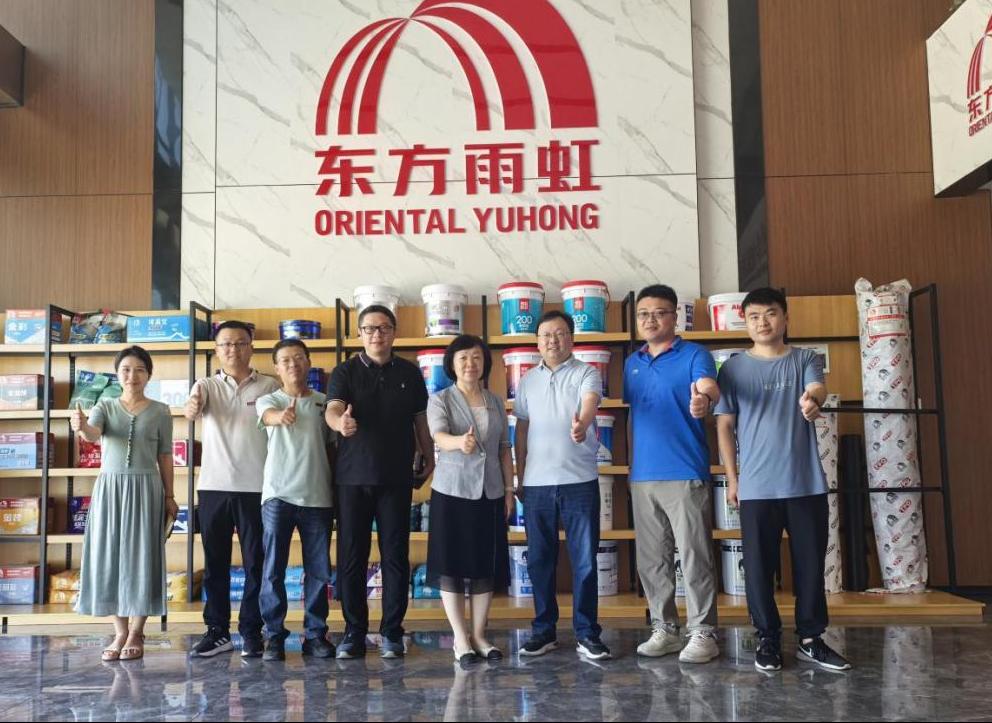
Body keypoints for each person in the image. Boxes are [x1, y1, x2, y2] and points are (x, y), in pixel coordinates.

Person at [714, 287, 852, 672]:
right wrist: (732, 479)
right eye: (754, 316)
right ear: (746, 322)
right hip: (756, 487)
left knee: (810, 565)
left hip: (806, 483)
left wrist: (812, 401)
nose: (763, 322)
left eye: (771, 313)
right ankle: (767, 638)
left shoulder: (805, 359)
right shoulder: (733, 369)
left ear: (786, 318)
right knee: (759, 569)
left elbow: (817, 388)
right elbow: (724, 426)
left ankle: (811, 638)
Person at [325, 304, 434, 659]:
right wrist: (340, 423)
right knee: (351, 557)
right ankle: (353, 632)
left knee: (395, 556)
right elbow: (332, 409)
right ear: (360, 334)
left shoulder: (409, 373)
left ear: (394, 333)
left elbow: (420, 421)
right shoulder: (345, 371)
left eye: (384, 328)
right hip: (352, 479)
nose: (377, 334)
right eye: (370, 328)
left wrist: (428, 453)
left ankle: (392, 632)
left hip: (395, 477)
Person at [623, 285, 721, 663]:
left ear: (674, 316)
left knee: (695, 556)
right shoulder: (632, 363)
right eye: (643, 314)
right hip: (642, 476)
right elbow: (634, 414)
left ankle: (703, 632)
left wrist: (704, 400)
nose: (650, 320)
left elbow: (708, 387)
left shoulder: (695, 354)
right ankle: (664, 629)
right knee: (652, 561)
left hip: (684, 471)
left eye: (659, 312)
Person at [514, 310, 610, 661]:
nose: (552, 340)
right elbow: (521, 429)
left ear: (571, 337)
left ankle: (587, 633)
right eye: (545, 335)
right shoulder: (527, 381)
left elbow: (590, 402)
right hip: (536, 485)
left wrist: (582, 424)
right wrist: (519, 474)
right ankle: (544, 631)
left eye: (559, 334)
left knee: (585, 561)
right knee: (540, 561)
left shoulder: (586, 372)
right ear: (537, 342)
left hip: (579, 482)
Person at [71, 346, 177, 661]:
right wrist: (81, 425)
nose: (132, 376)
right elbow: (93, 433)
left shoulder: (161, 411)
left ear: (149, 375)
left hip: (146, 488)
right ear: (118, 374)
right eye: (126, 370)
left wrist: (170, 495)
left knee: (143, 556)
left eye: (140, 369)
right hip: (110, 489)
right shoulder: (104, 405)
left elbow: (165, 456)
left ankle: (137, 631)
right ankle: (119, 631)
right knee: (109, 555)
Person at [184, 320, 279, 658]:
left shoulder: (269, 385)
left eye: (240, 343)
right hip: (214, 486)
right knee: (216, 563)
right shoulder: (206, 385)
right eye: (225, 344)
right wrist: (192, 408)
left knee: (256, 563)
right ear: (216, 350)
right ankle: (217, 631)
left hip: (257, 487)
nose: (233, 349)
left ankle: (252, 631)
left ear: (251, 347)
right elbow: (192, 409)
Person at [425, 334, 513, 664]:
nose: (470, 364)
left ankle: (479, 635)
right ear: (452, 364)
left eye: (476, 357)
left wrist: (508, 490)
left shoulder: (495, 401)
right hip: (453, 491)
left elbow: (504, 449)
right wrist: (459, 442)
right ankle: (460, 639)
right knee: (451, 566)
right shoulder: (441, 399)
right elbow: (438, 435)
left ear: (484, 362)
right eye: (462, 358)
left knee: (484, 566)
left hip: (490, 491)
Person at [256, 338, 335, 661]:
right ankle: (274, 636)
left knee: (319, 571)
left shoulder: (324, 403)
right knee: (273, 569)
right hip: (278, 495)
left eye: (299, 358)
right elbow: (269, 416)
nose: (293, 365)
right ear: (276, 368)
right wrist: (281, 416)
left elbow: (332, 447)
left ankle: (315, 635)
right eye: (286, 360)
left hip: (318, 496)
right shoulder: (269, 400)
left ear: (308, 362)